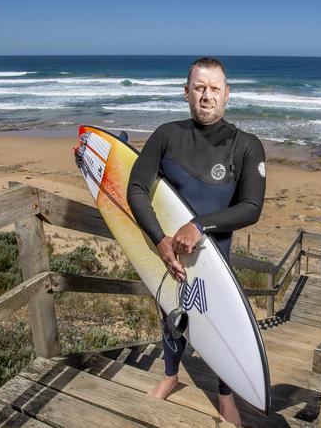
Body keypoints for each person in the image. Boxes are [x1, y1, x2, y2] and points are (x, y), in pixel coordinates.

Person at [127, 57, 266, 425]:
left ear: (227, 94)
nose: (207, 96)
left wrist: (199, 225)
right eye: (200, 88)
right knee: (170, 315)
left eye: (214, 88)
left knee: (221, 326)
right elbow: (136, 189)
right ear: (187, 92)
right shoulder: (166, 136)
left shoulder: (246, 146)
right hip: (169, 254)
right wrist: (160, 241)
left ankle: (225, 397)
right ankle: (171, 376)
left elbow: (251, 208)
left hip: (216, 260)